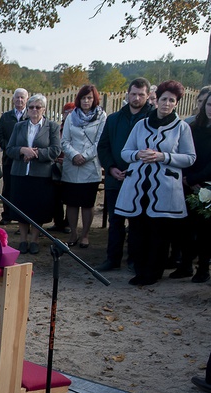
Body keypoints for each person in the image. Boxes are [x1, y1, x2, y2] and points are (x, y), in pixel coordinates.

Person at [114, 80, 196, 286]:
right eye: (163, 99)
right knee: (137, 232)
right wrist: (137, 154)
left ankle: (153, 272)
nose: (167, 104)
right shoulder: (141, 124)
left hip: (165, 190)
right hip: (138, 188)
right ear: (156, 100)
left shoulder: (182, 128)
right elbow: (125, 152)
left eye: (171, 100)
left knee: (159, 233)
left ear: (176, 103)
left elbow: (189, 157)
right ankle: (140, 269)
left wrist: (164, 157)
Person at [95, 77, 153, 272]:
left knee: (138, 221)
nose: (136, 98)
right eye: (133, 94)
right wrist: (111, 168)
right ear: (127, 94)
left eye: (141, 95)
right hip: (116, 178)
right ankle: (113, 258)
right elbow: (103, 146)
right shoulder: (113, 119)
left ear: (147, 96)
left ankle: (135, 259)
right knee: (116, 220)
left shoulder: (152, 119)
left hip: (142, 179)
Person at [6, 93, 61, 255]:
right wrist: (23, 150)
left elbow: (56, 150)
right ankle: (23, 239)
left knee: (37, 209)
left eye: (38, 107)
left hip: (41, 175)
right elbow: (9, 149)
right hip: (20, 174)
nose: (34, 110)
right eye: (31, 107)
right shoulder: (19, 126)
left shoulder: (52, 127)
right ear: (27, 109)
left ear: (43, 109)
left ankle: (35, 240)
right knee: (21, 208)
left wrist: (36, 153)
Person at [170, 91, 211, 283]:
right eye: (209, 105)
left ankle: (203, 269)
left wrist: (197, 179)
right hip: (187, 182)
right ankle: (185, 265)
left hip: (206, 185)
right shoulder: (192, 127)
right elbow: (183, 152)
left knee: (205, 232)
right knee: (184, 228)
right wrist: (186, 178)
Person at [61, 84, 106, 249]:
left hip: (90, 165)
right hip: (72, 165)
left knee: (87, 203)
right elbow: (64, 141)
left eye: (89, 98)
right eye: (83, 98)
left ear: (94, 99)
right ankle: (73, 233)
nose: (86, 101)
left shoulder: (102, 117)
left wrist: (85, 156)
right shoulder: (71, 116)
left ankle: (85, 234)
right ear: (78, 99)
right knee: (72, 203)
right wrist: (74, 155)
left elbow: (99, 142)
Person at [0, 88, 29, 225]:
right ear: (13, 99)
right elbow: (0, 136)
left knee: (24, 189)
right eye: (17, 97)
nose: (19, 100)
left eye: (22, 97)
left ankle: (23, 217)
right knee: (8, 187)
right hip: (9, 158)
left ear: (26, 99)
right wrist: (10, 149)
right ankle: (7, 215)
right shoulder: (6, 117)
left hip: (27, 159)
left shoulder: (30, 115)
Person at [51, 102, 76, 234]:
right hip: (57, 166)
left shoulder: (77, 128)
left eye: (73, 111)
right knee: (56, 196)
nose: (70, 114)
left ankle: (68, 223)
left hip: (72, 165)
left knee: (69, 196)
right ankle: (58, 222)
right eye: (67, 111)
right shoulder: (57, 128)